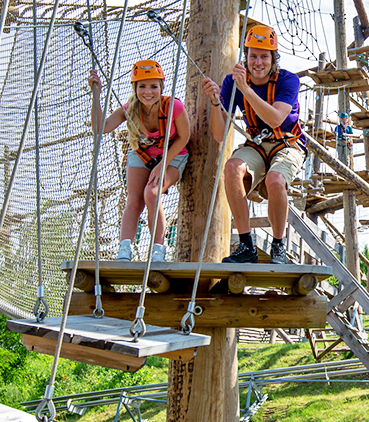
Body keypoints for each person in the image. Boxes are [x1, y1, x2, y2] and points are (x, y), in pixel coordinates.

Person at [202, 23, 305, 264]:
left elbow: (276, 118)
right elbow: (219, 134)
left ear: (273, 59)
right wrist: (216, 103)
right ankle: (246, 244)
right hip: (257, 144)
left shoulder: (288, 80)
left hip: (287, 143)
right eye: (253, 56)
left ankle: (278, 246)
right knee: (231, 168)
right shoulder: (232, 81)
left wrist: (246, 89)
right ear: (246, 57)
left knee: (275, 180)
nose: (258, 63)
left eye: (263, 57)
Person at [89, 58, 191, 262]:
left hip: (172, 155)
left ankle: (158, 250)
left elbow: (184, 137)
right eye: (142, 86)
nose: (148, 92)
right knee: (134, 199)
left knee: (152, 193)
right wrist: (96, 95)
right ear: (135, 88)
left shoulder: (173, 106)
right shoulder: (130, 109)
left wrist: (162, 166)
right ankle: (124, 249)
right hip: (142, 154)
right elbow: (101, 128)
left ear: (161, 87)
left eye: (153, 86)